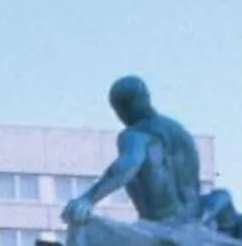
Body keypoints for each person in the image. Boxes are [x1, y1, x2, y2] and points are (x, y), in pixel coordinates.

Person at [63, 75, 202, 226]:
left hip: (162, 222)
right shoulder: (177, 130)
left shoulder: (136, 133)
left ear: (122, 109)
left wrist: (88, 199)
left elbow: (129, 163)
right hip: (192, 218)